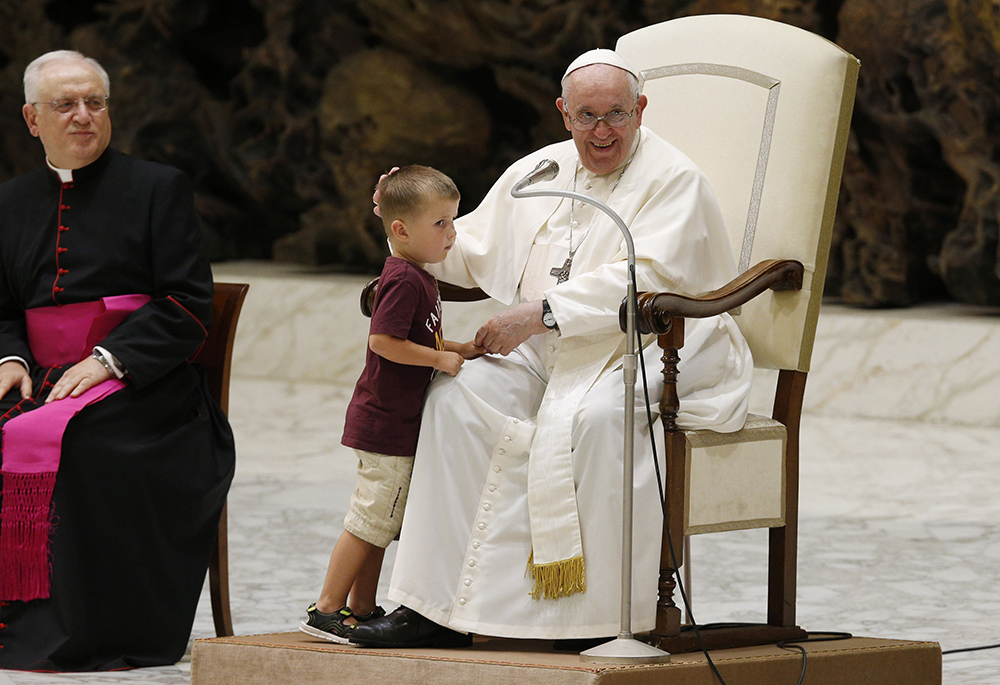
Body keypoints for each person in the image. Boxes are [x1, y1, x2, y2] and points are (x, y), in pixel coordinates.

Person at [350, 49, 754, 648]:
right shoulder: (538, 171)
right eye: (586, 116)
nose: (602, 132)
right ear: (564, 114)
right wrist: (399, 222)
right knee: (455, 399)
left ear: (640, 110)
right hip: (548, 351)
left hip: (647, 350)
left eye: (616, 114)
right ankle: (432, 609)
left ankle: (592, 620)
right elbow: (464, 246)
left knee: (592, 422)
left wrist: (541, 313)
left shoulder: (675, 180)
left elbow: (651, 280)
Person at [0, 50, 235, 670]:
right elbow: (2, 306)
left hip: (144, 386)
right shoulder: (10, 201)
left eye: (95, 103)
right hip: (39, 379)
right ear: (31, 119)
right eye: (65, 105)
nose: (83, 116)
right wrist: (9, 356)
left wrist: (110, 359)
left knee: (85, 444)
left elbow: (188, 305)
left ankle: (83, 634)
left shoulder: (158, 187)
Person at [300, 166, 482, 644]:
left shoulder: (415, 273)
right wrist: (440, 359)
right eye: (440, 223)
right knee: (369, 520)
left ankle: (361, 603)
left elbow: (417, 336)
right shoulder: (403, 277)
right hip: (386, 422)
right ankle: (326, 607)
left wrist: (457, 347)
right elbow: (383, 340)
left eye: (453, 220)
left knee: (383, 520)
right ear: (401, 230)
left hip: (391, 421)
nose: (452, 233)